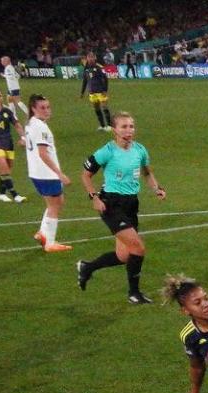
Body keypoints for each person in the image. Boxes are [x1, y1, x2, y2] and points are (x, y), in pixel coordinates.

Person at [77, 111, 166, 304]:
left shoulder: (140, 150)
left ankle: (87, 267)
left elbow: (147, 173)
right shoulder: (106, 151)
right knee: (138, 248)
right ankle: (134, 293)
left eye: (131, 126)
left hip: (131, 204)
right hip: (111, 203)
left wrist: (156, 188)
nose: (128, 130)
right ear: (114, 130)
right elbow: (85, 175)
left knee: (124, 255)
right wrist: (94, 198)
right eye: (123, 127)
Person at [24, 94, 72, 252]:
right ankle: (50, 243)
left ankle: (42, 233)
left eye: (48, 107)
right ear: (33, 109)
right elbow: (43, 153)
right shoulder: (41, 127)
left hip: (35, 172)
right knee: (55, 205)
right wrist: (60, 174)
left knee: (56, 203)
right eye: (42, 108)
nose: (47, 110)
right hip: (46, 173)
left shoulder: (31, 123)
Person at [79, 52, 112, 131]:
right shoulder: (86, 69)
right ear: (87, 58)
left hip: (100, 91)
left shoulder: (99, 67)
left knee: (104, 107)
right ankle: (102, 125)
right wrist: (82, 92)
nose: (90, 59)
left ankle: (109, 126)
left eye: (92, 57)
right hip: (92, 92)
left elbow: (105, 79)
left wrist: (105, 90)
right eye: (89, 57)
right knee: (96, 108)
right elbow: (85, 81)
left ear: (95, 58)